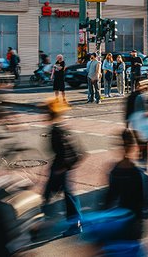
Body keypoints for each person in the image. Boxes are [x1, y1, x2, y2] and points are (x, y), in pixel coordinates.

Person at [42, 99, 83, 235]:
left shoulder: (57, 130)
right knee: (61, 193)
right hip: (61, 166)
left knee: (66, 195)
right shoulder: (59, 127)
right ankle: (43, 218)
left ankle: (75, 224)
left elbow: (64, 151)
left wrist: (62, 168)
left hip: (61, 167)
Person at [102, 129, 148, 241]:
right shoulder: (137, 173)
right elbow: (142, 201)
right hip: (133, 223)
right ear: (134, 147)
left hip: (118, 221)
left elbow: (109, 199)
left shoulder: (114, 171)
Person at [125, 78, 148, 165]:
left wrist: (127, 126)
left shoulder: (134, 97)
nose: (146, 87)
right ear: (138, 86)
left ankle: (142, 159)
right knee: (144, 144)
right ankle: (143, 161)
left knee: (142, 144)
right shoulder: (139, 97)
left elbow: (127, 112)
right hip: (140, 124)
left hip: (137, 124)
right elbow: (145, 112)